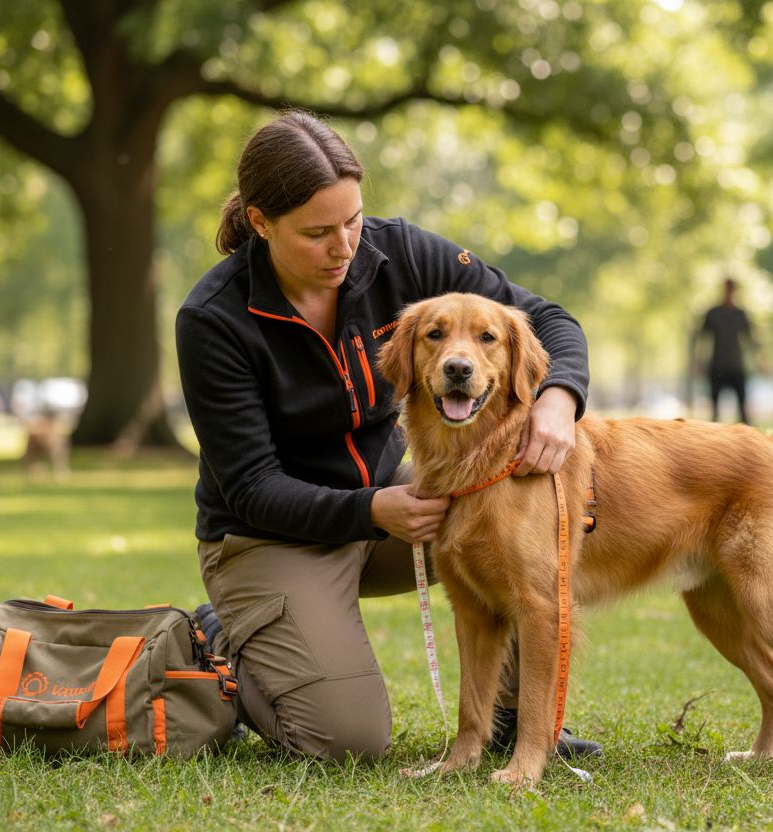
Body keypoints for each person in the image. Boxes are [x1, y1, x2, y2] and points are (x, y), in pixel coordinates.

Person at [176, 110, 600, 763]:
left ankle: (512, 720)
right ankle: (224, 642)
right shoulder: (214, 320)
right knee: (344, 741)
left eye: (352, 220)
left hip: (393, 507)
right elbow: (252, 487)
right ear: (260, 223)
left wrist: (558, 399)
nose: (345, 247)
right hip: (272, 535)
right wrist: (372, 510)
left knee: (526, 508)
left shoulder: (398, 253)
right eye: (318, 233)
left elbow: (544, 317)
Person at [696, 277, 760, 424]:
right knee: (715, 413)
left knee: (743, 413)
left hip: (736, 367)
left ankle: (746, 444)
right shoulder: (713, 314)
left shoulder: (740, 314)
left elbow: (751, 339)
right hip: (717, 366)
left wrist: (760, 360)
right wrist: (698, 362)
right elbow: (703, 338)